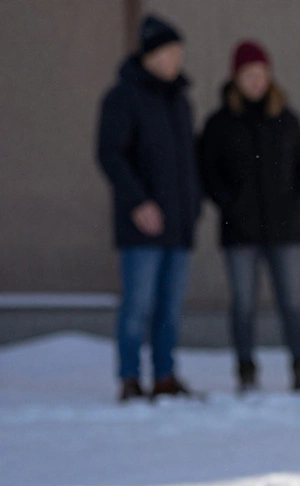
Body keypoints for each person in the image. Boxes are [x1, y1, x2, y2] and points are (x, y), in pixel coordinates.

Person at [198, 41, 300, 396]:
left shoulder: (286, 119)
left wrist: (296, 204)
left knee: (292, 303)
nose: (256, 81)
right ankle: (246, 373)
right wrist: (229, 205)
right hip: (239, 231)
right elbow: (207, 171)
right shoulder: (220, 123)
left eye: (261, 74)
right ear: (236, 78)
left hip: (284, 229)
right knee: (243, 305)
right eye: (248, 75)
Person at [96, 14, 202, 401]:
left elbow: (189, 161)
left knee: (170, 308)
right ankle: (129, 378)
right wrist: (138, 202)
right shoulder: (123, 98)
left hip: (180, 221)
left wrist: (194, 206)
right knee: (137, 305)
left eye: (179, 53)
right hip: (141, 223)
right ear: (149, 56)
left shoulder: (180, 101)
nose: (175, 61)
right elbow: (111, 155)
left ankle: (164, 375)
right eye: (168, 53)